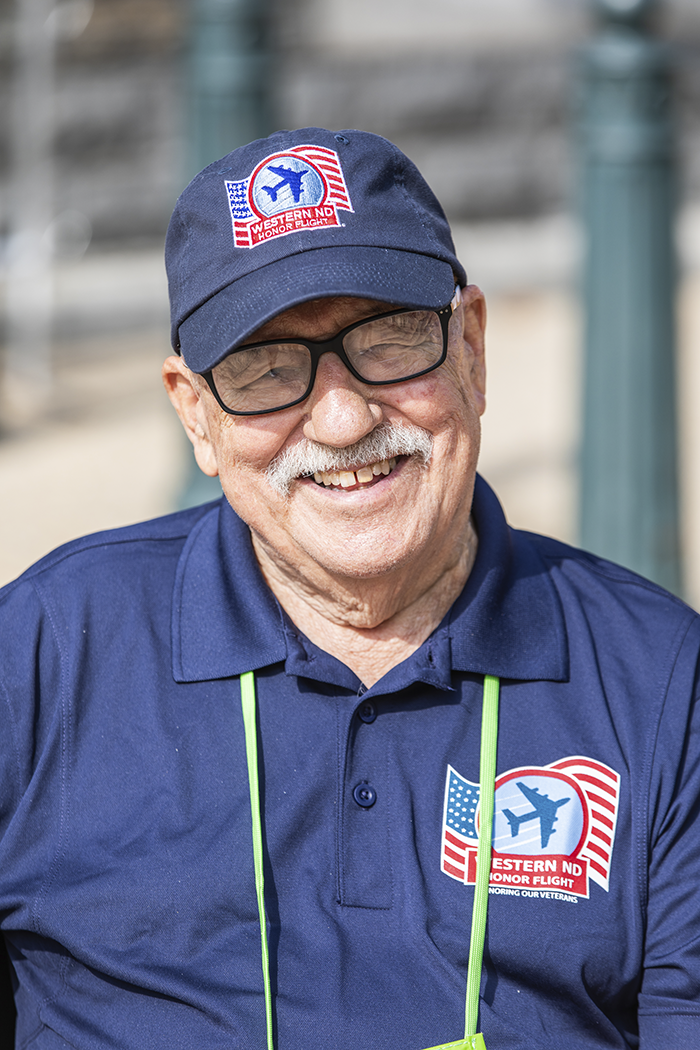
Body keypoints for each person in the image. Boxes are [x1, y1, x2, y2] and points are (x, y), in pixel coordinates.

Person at [0, 128, 699, 1050]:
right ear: (194, 415)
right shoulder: (49, 646)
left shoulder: (663, 680)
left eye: (389, 337)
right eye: (265, 368)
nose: (341, 417)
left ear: (473, 349)